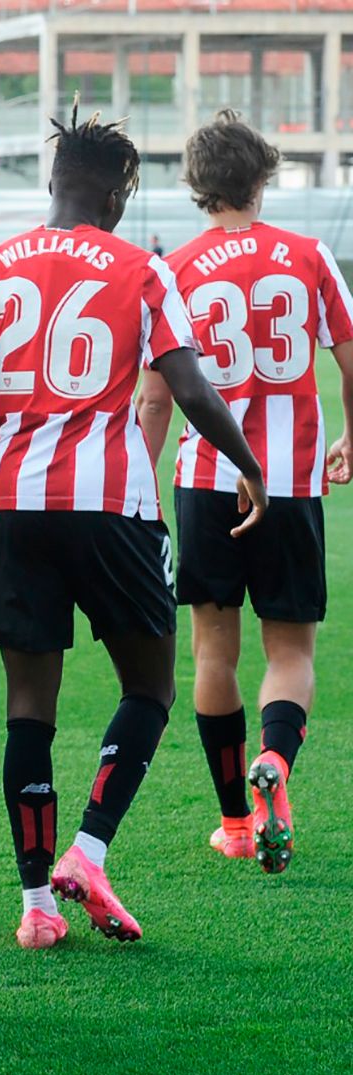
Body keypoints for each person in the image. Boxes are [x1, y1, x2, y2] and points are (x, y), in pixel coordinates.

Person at [0, 103, 268, 952]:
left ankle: (35, 906)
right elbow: (188, 389)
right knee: (150, 688)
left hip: (12, 507)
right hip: (113, 507)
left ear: (52, 184)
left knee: (28, 710)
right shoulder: (141, 269)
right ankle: (87, 854)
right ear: (118, 198)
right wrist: (247, 466)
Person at [152, 109, 353, 873]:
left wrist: (140, 483)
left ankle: (235, 821)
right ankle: (276, 758)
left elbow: (156, 396)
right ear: (263, 177)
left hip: (205, 478)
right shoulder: (307, 255)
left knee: (213, 649)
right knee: (291, 649)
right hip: (290, 479)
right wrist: (351, 434)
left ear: (196, 185)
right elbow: (349, 353)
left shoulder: (173, 270)